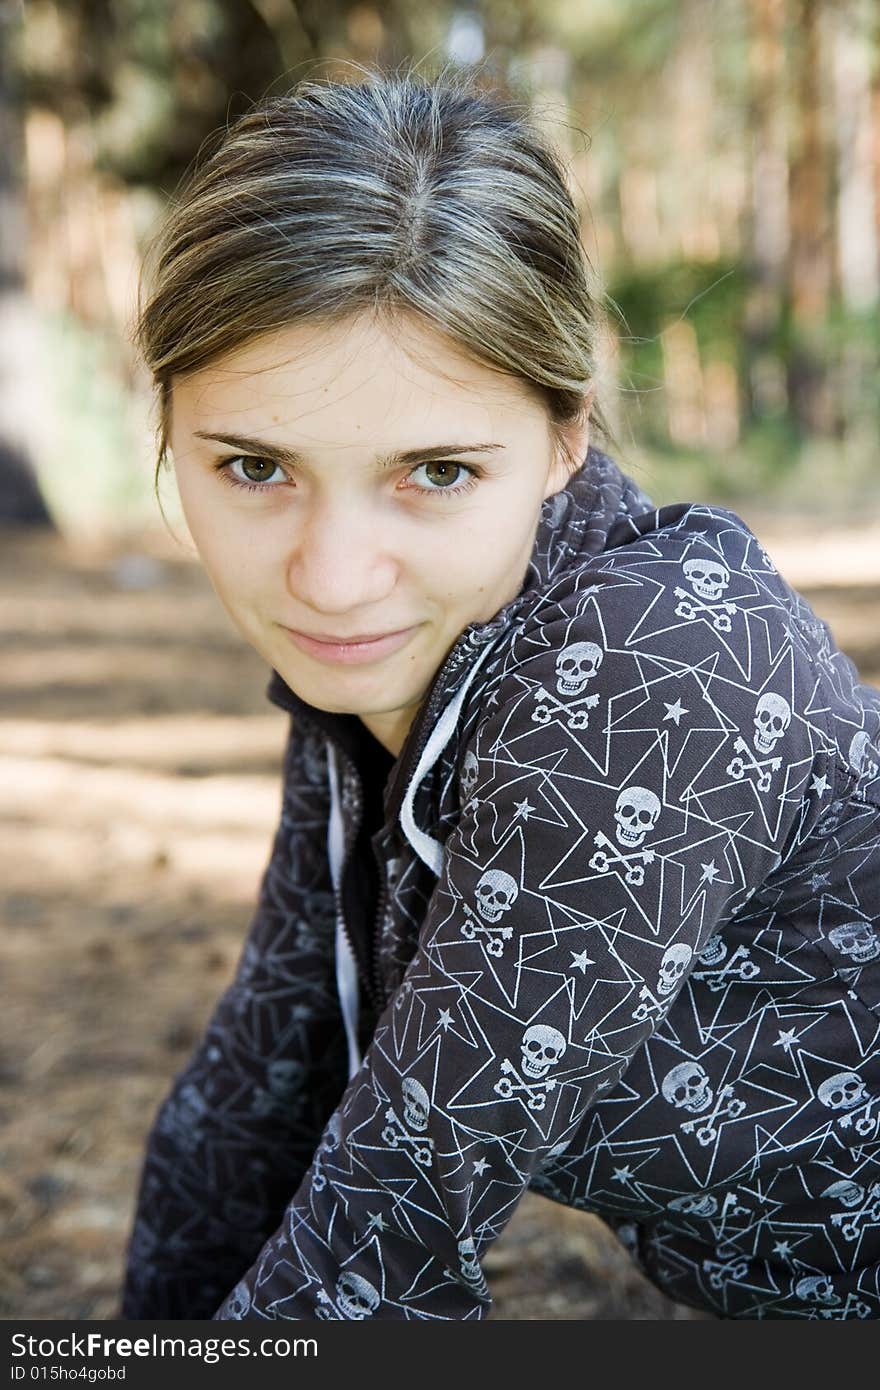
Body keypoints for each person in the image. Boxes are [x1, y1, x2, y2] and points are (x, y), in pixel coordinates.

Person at [119, 66, 880, 1322]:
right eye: (254, 466)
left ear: (564, 433)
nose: (333, 575)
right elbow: (265, 1085)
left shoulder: (655, 679)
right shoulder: (405, 654)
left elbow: (389, 1233)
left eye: (435, 470)